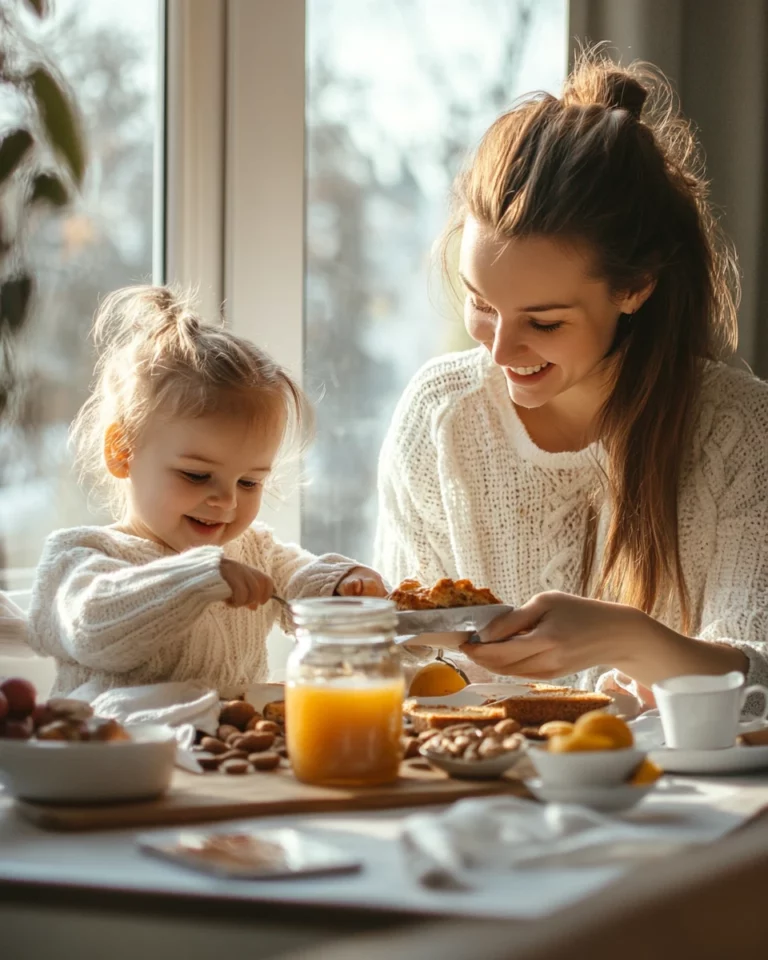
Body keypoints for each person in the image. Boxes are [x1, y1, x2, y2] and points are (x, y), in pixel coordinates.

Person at [374, 50, 768, 703]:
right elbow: (387, 665)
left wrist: (631, 640)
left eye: (545, 322)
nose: (500, 350)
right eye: (481, 303)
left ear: (635, 287)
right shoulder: (441, 418)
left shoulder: (739, 432)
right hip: (480, 796)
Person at [28, 285, 386, 697]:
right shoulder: (82, 556)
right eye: (197, 476)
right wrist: (197, 577)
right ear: (122, 451)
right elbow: (93, 629)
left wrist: (346, 584)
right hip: (119, 760)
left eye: (249, 482)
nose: (227, 502)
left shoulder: (254, 552)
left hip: (228, 757)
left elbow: (304, 581)